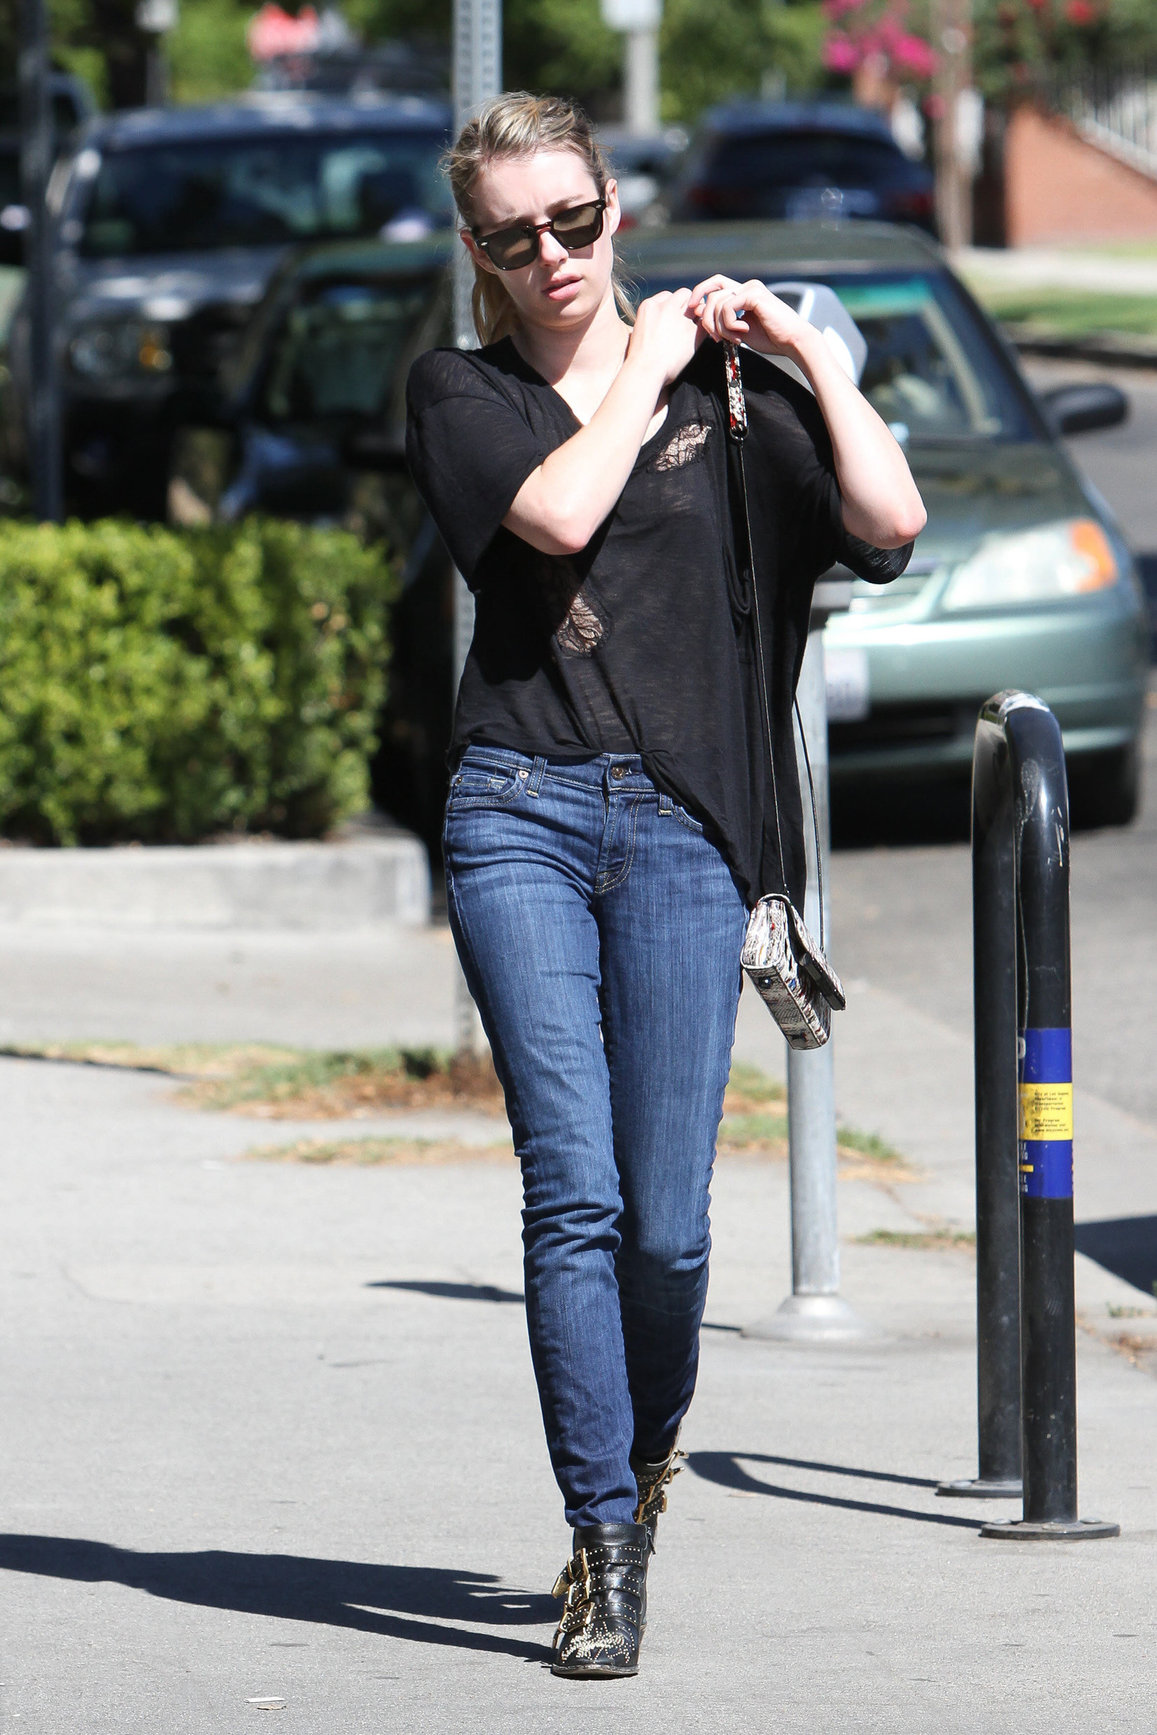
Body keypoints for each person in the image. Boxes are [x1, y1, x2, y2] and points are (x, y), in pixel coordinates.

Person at [405, 91, 925, 1680]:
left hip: (695, 828)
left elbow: (889, 523)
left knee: (672, 1231)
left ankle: (645, 1457)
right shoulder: (462, 391)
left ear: (615, 210)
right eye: (514, 235)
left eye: (575, 221)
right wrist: (644, 363)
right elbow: (558, 517)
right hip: (520, 814)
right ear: (480, 252)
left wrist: (804, 355)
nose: (552, 255)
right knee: (571, 1193)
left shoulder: (730, 390)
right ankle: (599, 1544)